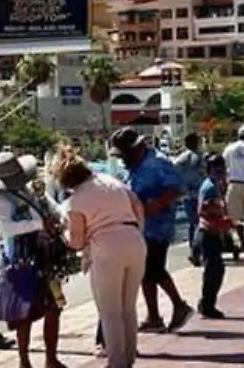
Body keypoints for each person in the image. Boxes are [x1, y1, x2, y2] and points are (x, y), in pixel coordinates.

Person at [53, 145, 145, 368]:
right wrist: (137, 229)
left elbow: (76, 241)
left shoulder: (77, 201)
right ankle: (128, 358)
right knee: (128, 308)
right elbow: (137, 204)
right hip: (134, 240)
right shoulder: (110, 181)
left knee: (110, 311)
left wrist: (62, 233)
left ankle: (117, 363)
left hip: (106, 248)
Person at [0, 152, 70, 368]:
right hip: (21, 259)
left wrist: (61, 218)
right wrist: (40, 225)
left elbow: (54, 208)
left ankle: (51, 358)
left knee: (54, 307)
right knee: (24, 313)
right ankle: (24, 360)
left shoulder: (34, 189)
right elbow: (7, 228)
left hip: (47, 255)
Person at [110, 128, 193, 333]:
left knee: (154, 269)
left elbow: (177, 188)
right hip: (139, 226)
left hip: (157, 226)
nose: (122, 159)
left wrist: (158, 203)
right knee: (144, 274)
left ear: (137, 148)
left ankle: (179, 305)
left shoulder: (159, 163)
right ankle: (154, 316)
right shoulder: (133, 166)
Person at [196, 154, 235, 319]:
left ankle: (207, 303)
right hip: (208, 232)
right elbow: (204, 210)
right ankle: (207, 304)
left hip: (213, 232)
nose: (222, 171)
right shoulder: (210, 188)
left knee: (216, 269)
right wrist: (222, 221)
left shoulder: (215, 186)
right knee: (214, 270)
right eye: (217, 168)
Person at [173, 133, 205, 266]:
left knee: (193, 223)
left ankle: (193, 248)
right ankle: (197, 251)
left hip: (186, 195)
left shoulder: (178, 160)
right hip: (200, 194)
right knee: (200, 223)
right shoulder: (200, 158)